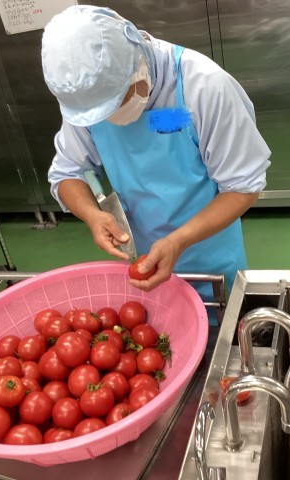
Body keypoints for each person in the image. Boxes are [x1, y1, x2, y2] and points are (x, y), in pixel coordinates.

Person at [42, 5, 271, 317]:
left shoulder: (204, 86)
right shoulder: (87, 99)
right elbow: (67, 172)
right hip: (144, 264)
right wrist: (92, 215)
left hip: (209, 258)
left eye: (117, 102)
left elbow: (242, 187)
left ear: (136, 63)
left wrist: (179, 240)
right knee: (164, 329)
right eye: (101, 113)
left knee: (222, 328)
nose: (111, 118)